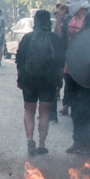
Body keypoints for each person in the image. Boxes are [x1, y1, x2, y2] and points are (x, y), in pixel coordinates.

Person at [54, 0, 90, 154]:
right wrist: (59, 18)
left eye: (69, 2)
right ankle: (77, 141)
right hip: (70, 69)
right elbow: (59, 37)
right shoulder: (68, 19)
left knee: (85, 106)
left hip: (85, 70)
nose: (67, 6)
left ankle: (89, 142)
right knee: (74, 106)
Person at [16, 10, 65, 156]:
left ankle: (30, 140)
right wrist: (59, 80)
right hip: (48, 80)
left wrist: (20, 78)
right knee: (44, 112)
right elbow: (61, 62)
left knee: (29, 110)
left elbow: (19, 60)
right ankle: (42, 145)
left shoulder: (27, 38)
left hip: (29, 79)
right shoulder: (55, 39)